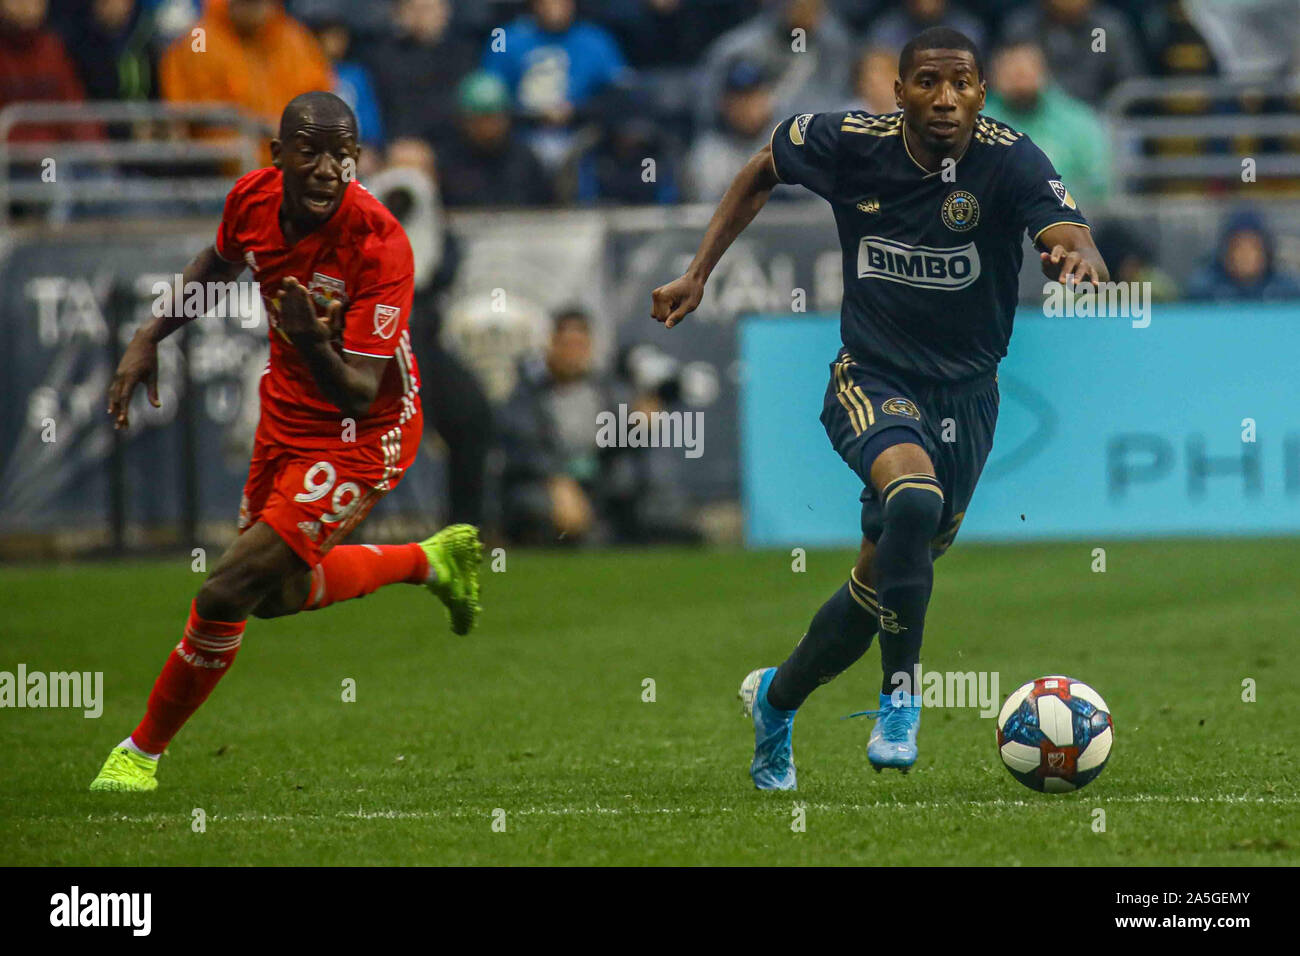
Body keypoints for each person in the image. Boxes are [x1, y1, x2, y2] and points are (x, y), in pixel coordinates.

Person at [651, 27, 1107, 788]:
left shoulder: (1010, 157)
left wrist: (1078, 254)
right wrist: (699, 271)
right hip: (871, 373)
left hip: (968, 396)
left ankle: (776, 698)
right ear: (898, 93)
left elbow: (1064, 227)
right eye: (927, 81)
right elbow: (763, 165)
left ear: (981, 94)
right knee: (912, 500)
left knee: (878, 581)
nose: (946, 98)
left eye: (961, 82)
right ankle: (901, 699)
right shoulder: (847, 141)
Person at [90, 92, 483, 793]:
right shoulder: (252, 197)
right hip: (288, 414)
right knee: (276, 595)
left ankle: (138, 755)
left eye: (345, 154)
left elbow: (360, 390)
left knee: (225, 591)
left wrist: (307, 337)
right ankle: (428, 562)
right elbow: (216, 264)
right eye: (313, 150)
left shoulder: (381, 242)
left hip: (366, 431)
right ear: (278, 158)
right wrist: (150, 335)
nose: (332, 168)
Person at [984, 39, 1111, 210]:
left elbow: (1099, 185)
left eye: (1026, 69)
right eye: (1010, 70)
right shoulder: (974, 124)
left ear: (1045, 73)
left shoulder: (1079, 122)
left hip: (1069, 219)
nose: (1019, 77)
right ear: (994, 76)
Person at [1185, 207, 1300, 302]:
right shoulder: (1204, 291)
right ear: (1225, 252)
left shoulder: (1287, 290)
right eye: (1238, 247)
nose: (1245, 256)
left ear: (1266, 251)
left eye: (1253, 247)